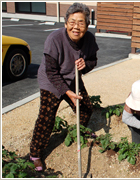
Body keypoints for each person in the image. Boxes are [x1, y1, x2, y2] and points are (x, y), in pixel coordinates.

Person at [29, 3, 99, 171]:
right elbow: (51, 71)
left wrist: (85, 64)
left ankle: (79, 130)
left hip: (73, 77)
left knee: (86, 108)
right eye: (72, 21)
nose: (76, 26)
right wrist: (67, 93)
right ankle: (35, 153)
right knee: (47, 118)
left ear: (87, 25)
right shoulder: (54, 39)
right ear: (66, 23)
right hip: (50, 82)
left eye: (81, 22)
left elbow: (93, 60)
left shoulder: (89, 38)